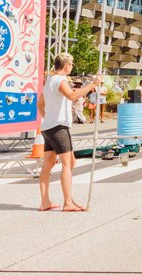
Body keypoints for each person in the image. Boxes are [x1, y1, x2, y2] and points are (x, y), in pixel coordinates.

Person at [37, 52, 101, 212]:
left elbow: (39, 104)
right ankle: (68, 202)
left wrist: (48, 117)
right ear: (66, 66)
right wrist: (93, 85)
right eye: (71, 64)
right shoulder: (60, 80)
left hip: (48, 126)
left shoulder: (49, 81)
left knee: (49, 164)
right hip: (59, 127)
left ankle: (45, 202)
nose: (72, 67)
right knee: (68, 163)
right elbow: (72, 95)